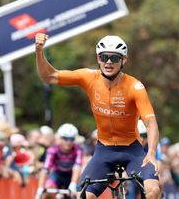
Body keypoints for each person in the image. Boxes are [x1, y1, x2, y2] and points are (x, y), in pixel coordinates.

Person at [35, 33, 161, 199]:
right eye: (104, 57)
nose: (108, 62)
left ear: (123, 60)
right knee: (83, 196)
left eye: (114, 58)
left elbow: (150, 123)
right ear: (98, 59)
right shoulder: (88, 78)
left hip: (132, 149)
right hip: (104, 151)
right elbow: (48, 76)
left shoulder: (135, 87)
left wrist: (151, 152)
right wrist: (39, 50)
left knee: (153, 191)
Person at [35, 123, 83, 199]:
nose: (69, 142)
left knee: (76, 195)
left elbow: (77, 167)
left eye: (72, 139)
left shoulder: (78, 150)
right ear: (60, 138)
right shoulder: (52, 150)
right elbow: (45, 169)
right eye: (65, 138)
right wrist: (40, 188)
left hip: (71, 176)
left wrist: (73, 184)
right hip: (57, 175)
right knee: (49, 190)